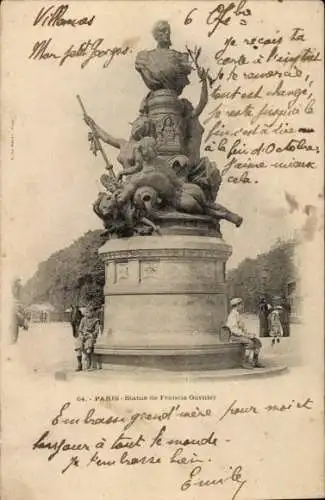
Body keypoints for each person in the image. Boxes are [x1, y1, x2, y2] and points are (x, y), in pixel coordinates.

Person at [226, 298, 264, 369]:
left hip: (240, 335)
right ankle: (245, 362)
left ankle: (255, 361)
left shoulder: (237, 314)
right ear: (237, 305)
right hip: (234, 336)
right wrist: (245, 335)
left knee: (257, 342)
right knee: (250, 342)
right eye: (241, 305)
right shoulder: (232, 315)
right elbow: (233, 329)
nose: (242, 306)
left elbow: (241, 327)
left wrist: (249, 334)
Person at [74, 304, 101, 371]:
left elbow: (96, 330)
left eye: (87, 312)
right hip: (83, 335)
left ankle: (89, 364)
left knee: (88, 347)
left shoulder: (96, 320)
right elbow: (80, 329)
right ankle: (79, 364)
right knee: (78, 345)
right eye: (85, 312)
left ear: (92, 312)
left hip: (90, 336)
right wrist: (81, 334)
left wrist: (91, 334)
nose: (86, 314)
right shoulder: (83, 319)